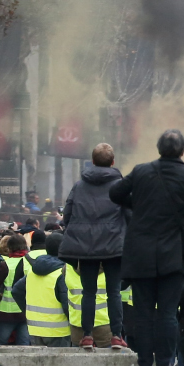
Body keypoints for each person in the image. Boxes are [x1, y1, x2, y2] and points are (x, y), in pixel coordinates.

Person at [111, 129, 184, 366]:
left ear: (158, 149)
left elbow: (115, 193)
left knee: (143, 313)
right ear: (182, 151)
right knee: (168, 312)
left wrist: (138, 204)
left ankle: (144, 365)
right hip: (173, 255)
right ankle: (165, 364)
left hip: (141, 254)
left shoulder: (141, 171)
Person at [59, 143, 127, 348]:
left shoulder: (79, 186)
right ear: (113, 162)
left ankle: (86, 336)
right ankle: (116, 335)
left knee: (88, 292)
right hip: (114, 246)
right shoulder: (121, 186)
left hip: (85, 246)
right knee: (113, 292)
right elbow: (131, 214)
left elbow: (67, 216)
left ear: (93, 161)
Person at [15, 233, 73, 347]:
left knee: (37, 364)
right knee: (58, 364)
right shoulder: (61, 273)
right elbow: (67, 304)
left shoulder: (32, 271)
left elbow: (16, 291)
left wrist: (27, 312)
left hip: (35, 329)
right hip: (58, 330)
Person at [0, 234, 29, 346]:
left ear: (9, 248)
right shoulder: (31, 263)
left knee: (0, 345)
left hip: (7, 313)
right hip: (25, 311)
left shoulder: (5, 265)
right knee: (24, 344)